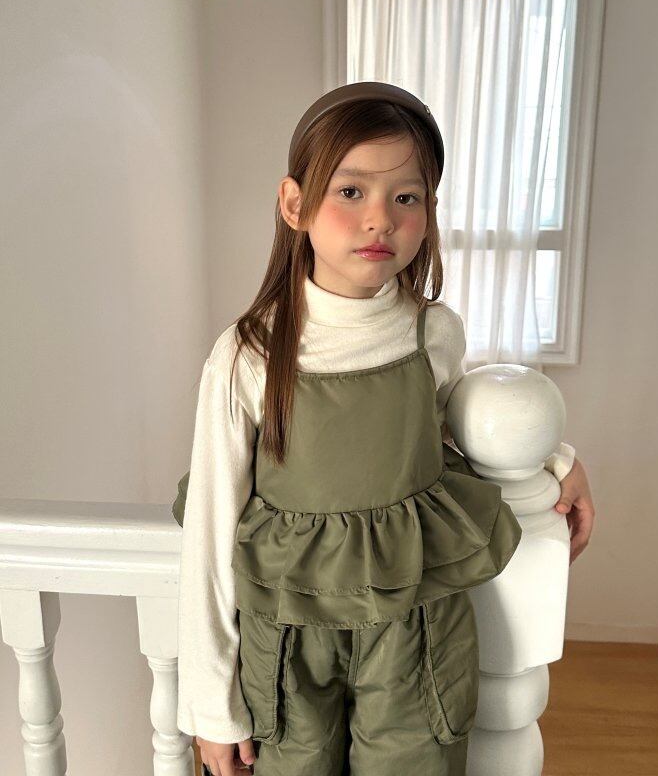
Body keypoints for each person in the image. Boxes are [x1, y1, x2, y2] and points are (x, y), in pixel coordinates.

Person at [172, 81, 596, 776]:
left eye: (406, 197)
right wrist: (211, 709)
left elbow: (471, 431)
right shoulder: (249, 355)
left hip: (413, 627)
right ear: (295, 204)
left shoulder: (433, 333)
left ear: (429, 213)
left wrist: (554, 460)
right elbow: (210, 534)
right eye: (351, 191)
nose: (379, 219)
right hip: (289, 641)